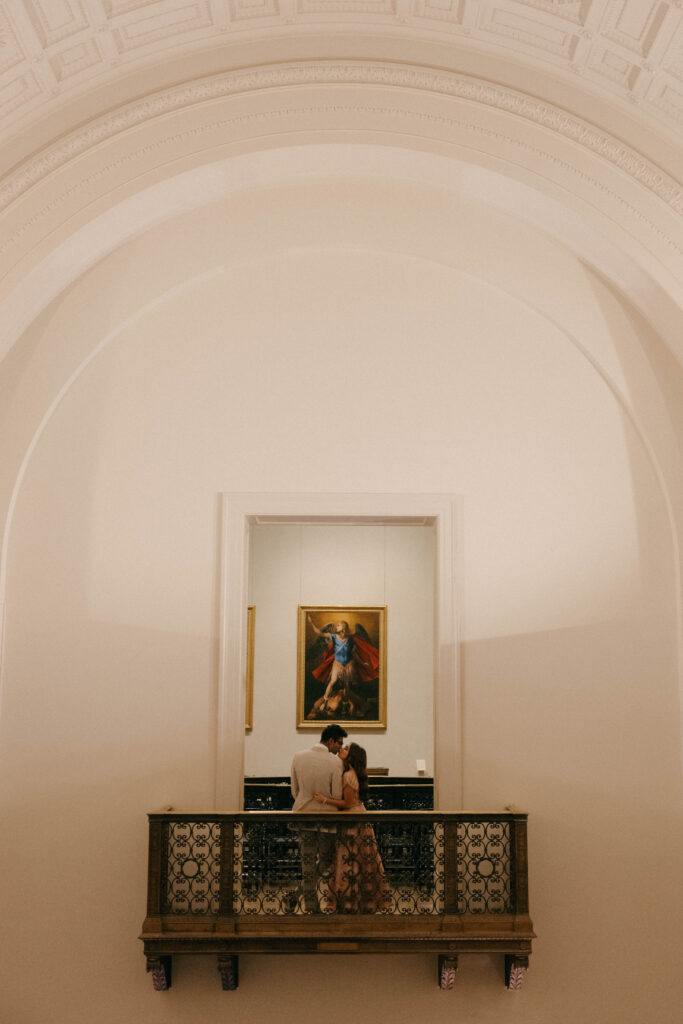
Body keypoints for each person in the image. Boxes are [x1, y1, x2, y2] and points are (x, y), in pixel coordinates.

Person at [314, 742, 392, 914]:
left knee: (349, 861)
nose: (342, 749)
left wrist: (325, 799)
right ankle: (361, 902)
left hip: (352, 821)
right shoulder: (353, 773)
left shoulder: (349, 775)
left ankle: (349, 903)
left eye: (346, 748)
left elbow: (347, 803)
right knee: (363, 862)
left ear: (352, 756)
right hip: (359, 818)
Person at [290, 723, 348, 911]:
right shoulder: (335, 762)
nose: (340, 747)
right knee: (326, 858)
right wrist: (324, 803)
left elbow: (295, 790)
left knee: (306, 862)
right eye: (339, 743)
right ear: (330, 740)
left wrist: (306, 801)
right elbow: (337, 795)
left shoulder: (298, 756)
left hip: (303, 815)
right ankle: (301, 898)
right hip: (327, 818)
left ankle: (309, 905)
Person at [306, 616, 380, 718]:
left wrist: (363, 663)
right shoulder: (333, 636)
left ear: (344, 627)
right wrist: (311, 623)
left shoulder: (351, 639)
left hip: (349, 664)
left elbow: (354, 653)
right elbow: (319, 633)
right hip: (337, 664)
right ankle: (324, 702)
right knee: (333, 681)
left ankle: (345, 704)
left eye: (339, 625)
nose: (337, 627)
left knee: (347, 685)